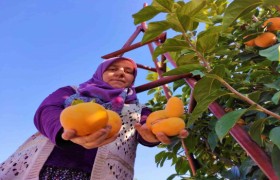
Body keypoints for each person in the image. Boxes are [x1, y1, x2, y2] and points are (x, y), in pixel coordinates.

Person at [0, 56, 188, 180]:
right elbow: (46, 110)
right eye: (113, 68)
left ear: (132, 79)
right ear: (100, 72)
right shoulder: (72, 91)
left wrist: (152, 135)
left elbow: (148, 127)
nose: (121, 72)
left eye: (128, 71)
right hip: (43, 167)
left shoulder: (139, 108)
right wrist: (64, 131)